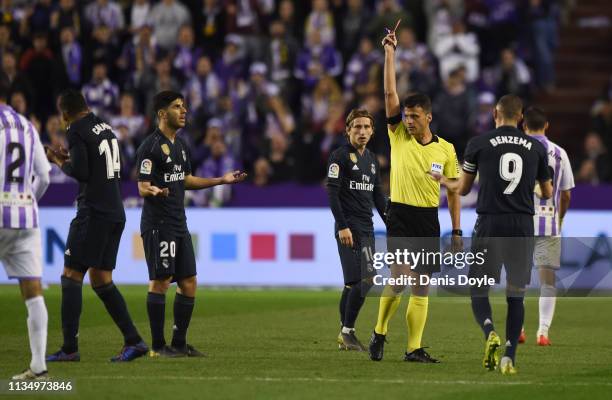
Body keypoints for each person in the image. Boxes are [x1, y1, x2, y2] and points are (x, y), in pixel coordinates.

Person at [432, 95, 553, 375]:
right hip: (522, 225)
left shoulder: (478, 144)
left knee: (479, 288)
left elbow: (462, 189)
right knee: (516, 294)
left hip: (490, 223)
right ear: (520, 118)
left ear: (495, 115)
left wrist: (443, 181)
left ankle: (489, 331)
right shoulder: (535, 148)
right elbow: (547, 193)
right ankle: (509, 356)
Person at [368, 31, 462, 363]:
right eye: (405, 116)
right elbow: (389, 91)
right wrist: (390, 52)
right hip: (401, 213)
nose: (408, 120)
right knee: (400, 279)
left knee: (422, 286)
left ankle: (413, 348)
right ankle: (379, 332)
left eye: (414, 116)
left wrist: (457, 230)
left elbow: (454, 193)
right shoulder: (398, 136)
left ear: (428, 117)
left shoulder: (446, 149)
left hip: (427, 218)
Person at [136, 91, 246, 357]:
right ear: (162, 114)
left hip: (178, 223)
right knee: (161, 281)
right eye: (176, 107)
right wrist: (154, 191)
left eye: (184, 106)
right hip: (158, 223)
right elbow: (142, 186)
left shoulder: (181, 146)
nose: (183, 111)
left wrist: (221, 180)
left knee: (189, 282)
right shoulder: (150, 147)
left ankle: (179, 343)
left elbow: (186, 180)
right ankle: (158, 346)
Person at [45, 89, 148, 362]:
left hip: (93, 212)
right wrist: (71, 159)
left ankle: (69, 348)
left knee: (70, 274)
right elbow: (110, 165)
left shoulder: (76, 129)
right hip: (115, 212)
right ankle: (135, 341)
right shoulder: (105, 127)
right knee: (101, 279)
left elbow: (80, 173)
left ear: (65, 112)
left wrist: (59, 162)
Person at [0, 73, 51, 379]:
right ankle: (38, 365)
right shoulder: (28, 126)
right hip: (26, 217)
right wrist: (28, 200)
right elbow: (43, 176)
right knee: (33, 291)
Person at [326, 109, 386, 351]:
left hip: (367, 228)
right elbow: (332, 194)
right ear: (348, 130)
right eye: (357, 127)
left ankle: (345, 332)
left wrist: (392, 223)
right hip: (348, 227)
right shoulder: (339, 157)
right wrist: (342, 226)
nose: (362, 131)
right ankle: (347, 332)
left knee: (359, 282)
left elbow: (378, 197)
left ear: (372, 131)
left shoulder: (372, 160)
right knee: (359, 280)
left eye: (366, 127)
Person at [521, 107, 574, 346]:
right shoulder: (559, 153)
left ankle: (518, 329)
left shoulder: (515, 149)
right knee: (547, 281)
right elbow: (565, 195)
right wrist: (559, 219)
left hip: (519, 222)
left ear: (524, 126)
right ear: (547, 125)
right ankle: (542, 332)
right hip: (548, 223)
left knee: (517, 279)